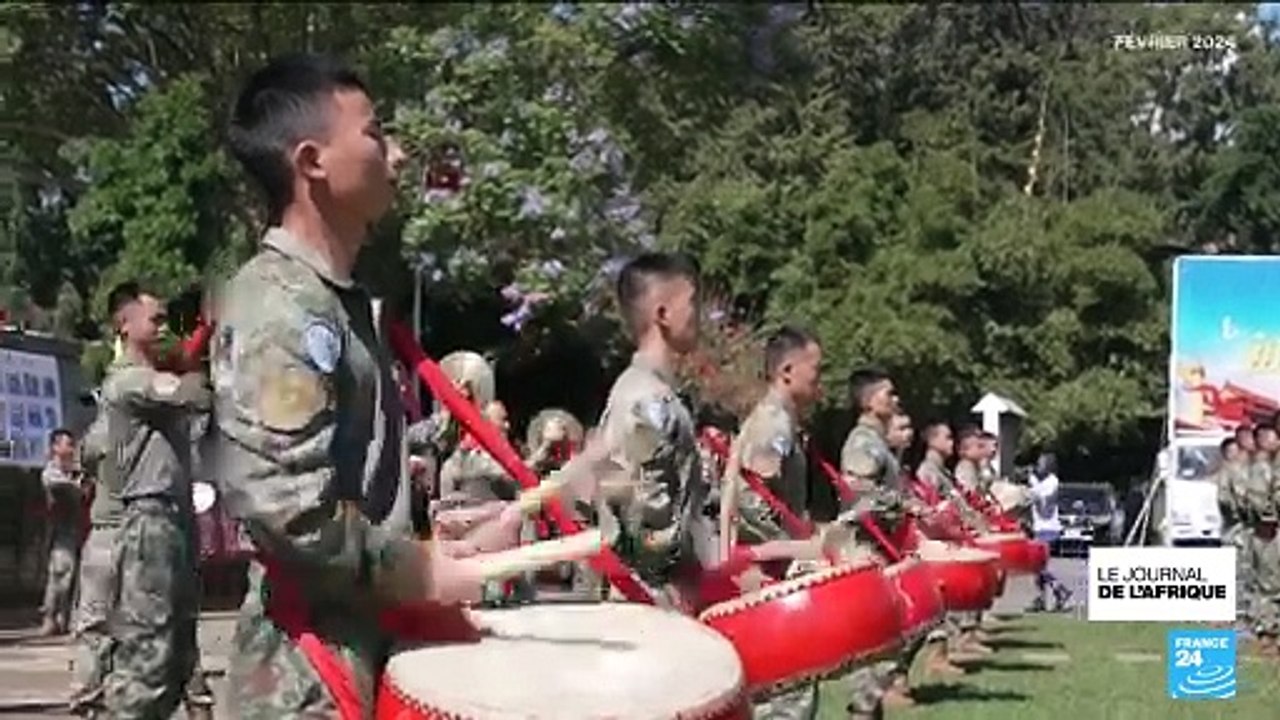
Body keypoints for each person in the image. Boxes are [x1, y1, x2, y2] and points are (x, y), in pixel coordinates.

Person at [214, 53, 549, 716]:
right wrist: (419, 571)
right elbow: (290, 511)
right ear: (311, 161)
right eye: (374, 133)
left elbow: (348, 498)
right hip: (301, 682)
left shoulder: (336, 305)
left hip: (356, 648)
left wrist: (428, 550)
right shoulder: (281, 310)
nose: (396, 156)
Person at [92, 282, 215, 719]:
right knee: (148, 657)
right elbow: (192, 395)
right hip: (148, 522)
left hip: (173, 520)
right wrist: (201, 358)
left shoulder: (158, 375)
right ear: (124, 324)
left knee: (178, 653)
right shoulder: (128, 382)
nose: (165, 327)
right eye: (156, 319)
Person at [719, 325, 824, 720]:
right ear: (786, 371)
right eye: (815, 369)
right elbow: (751, 502)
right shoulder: (773, 427)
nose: (820, 379)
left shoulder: (781, 423)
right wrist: (795, 550)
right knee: (786, 696)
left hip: (770, 568)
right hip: (763, 574)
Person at [838, 368, 937, 714]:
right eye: (888, 394)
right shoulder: (862, 443)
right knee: (874, 647)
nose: (895, 400)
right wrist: (905, 504)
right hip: (865, 549)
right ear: (868, 401)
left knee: (885, 641)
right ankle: (863, 710)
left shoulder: (878, 443)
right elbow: (858, 492)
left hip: (884, 547)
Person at [40, 428, 84, 636]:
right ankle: (50, 617)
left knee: (74, 577)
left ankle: (63, 618)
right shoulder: (51, 472)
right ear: (55, 447)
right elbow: (68, 491)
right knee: (60, 575)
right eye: (67, 444)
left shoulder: (74, 472)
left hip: (78, 529)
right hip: (61, 531)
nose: (70, 449)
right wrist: (78, 484)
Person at [1027, 452, 1072, 612]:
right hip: (1039, 528)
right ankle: (1040, 599)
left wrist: (1032, 491)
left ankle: (1060, 590)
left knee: (1038, 566)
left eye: (1042, 463)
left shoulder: (1052, 482)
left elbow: (1044, 505)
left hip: (1049, 529)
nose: (1038, 466)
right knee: (1037, 567)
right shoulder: (1038, 481)